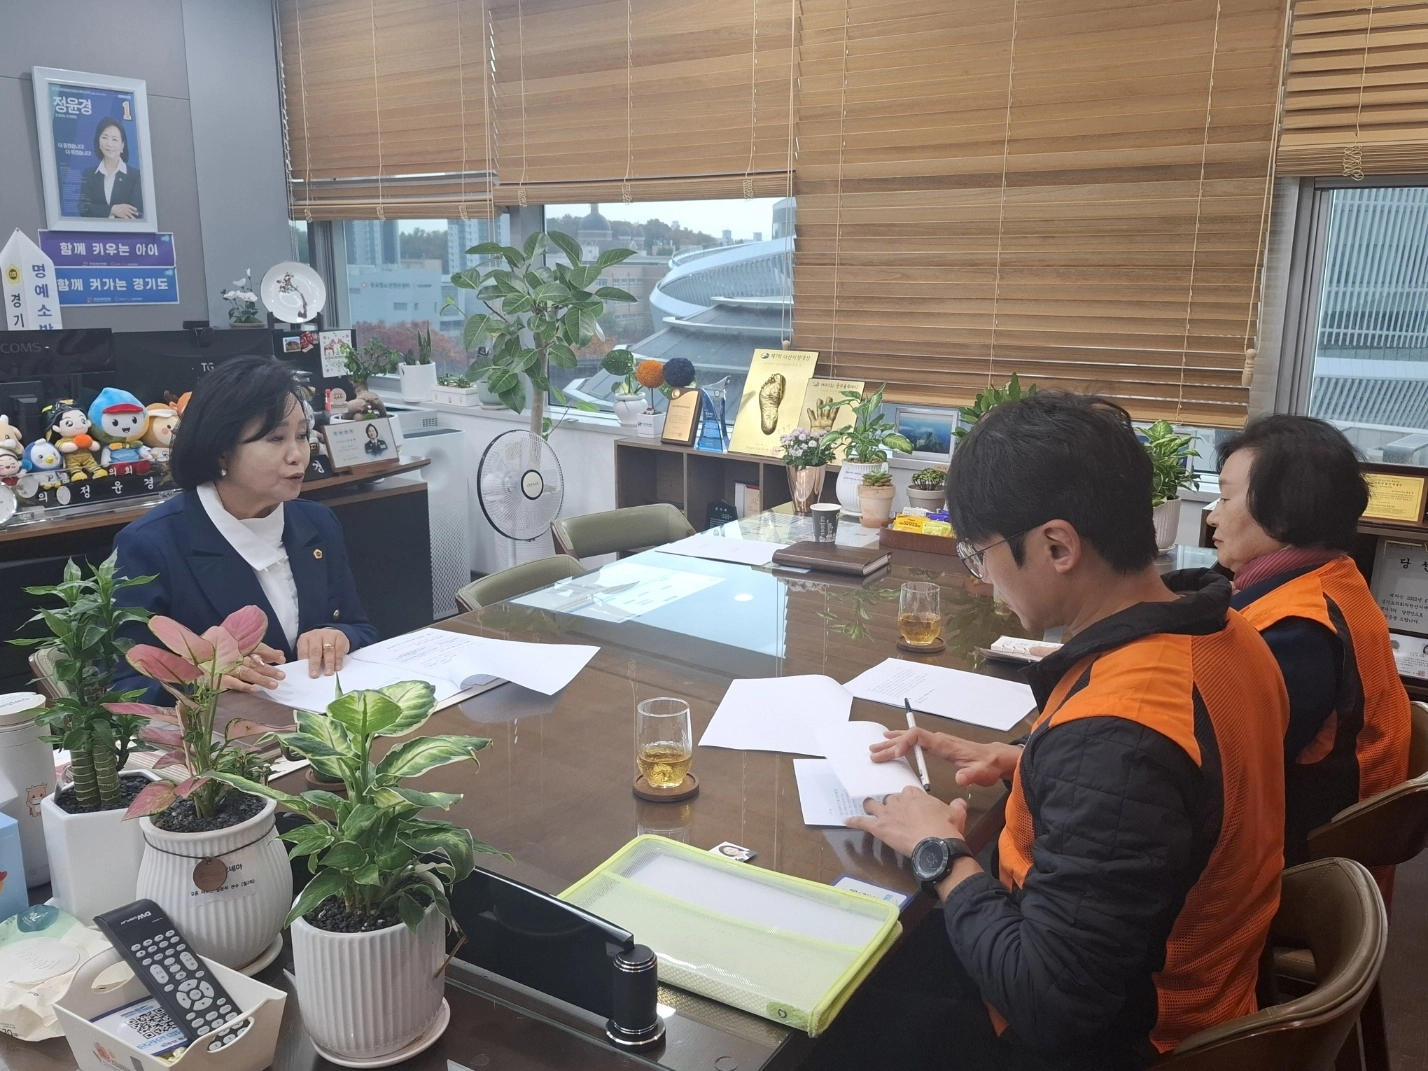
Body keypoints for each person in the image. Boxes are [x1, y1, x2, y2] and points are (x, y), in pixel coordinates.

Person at [814, 393, 1288, 1071]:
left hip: (1123, 1040)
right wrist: (1033, 759)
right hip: (1211, 984)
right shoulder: (1225, 632)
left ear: (1058, 545)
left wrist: (939, 851)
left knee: (834, 1009)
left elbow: (1052, 1003)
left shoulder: (1116, 744)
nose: (985, 579)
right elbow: (1188, 783)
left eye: (981, 555)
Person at [1205, 415, 1410, 868]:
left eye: (1225, 497)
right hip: (1322, 827)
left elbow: (1224, 768)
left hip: (1292, 854)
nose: (1212, 515)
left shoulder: (1297, 631)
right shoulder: (1332, 575)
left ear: (1282, 514)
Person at [113, 357, 378, 702]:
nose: (297, 455)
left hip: (321, 719)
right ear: (221, 451)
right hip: (224, 732)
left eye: (301, 436)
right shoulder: (150, 545)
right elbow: (125, 687)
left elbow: (360, 627)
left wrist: (338, 636)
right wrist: (202, 680)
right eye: (276, 438)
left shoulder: (317, 523)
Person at [77, 117, 143, 220]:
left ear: (122, 146)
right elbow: (83, 208)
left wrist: (99, 210)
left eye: (114, 139)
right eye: (104, 138)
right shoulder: (89, 174)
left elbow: (135, 213)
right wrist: (112, 209)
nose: (109, 144)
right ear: (98, 142)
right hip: (95, 230)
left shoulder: (135, 176)